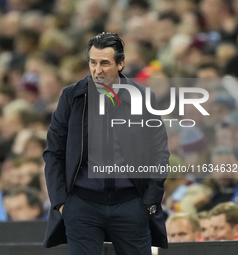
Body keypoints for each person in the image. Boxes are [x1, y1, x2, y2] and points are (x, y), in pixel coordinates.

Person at [43, 32, 169, 255]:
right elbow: (54, 152)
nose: (97, 70)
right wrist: (62, 202)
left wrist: (148, 202)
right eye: (92, 62)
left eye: (104, 63)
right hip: (81, 204)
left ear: (120, 64)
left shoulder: (142, 97)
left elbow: (158, 153)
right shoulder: (72, 97)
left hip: (131, 204)